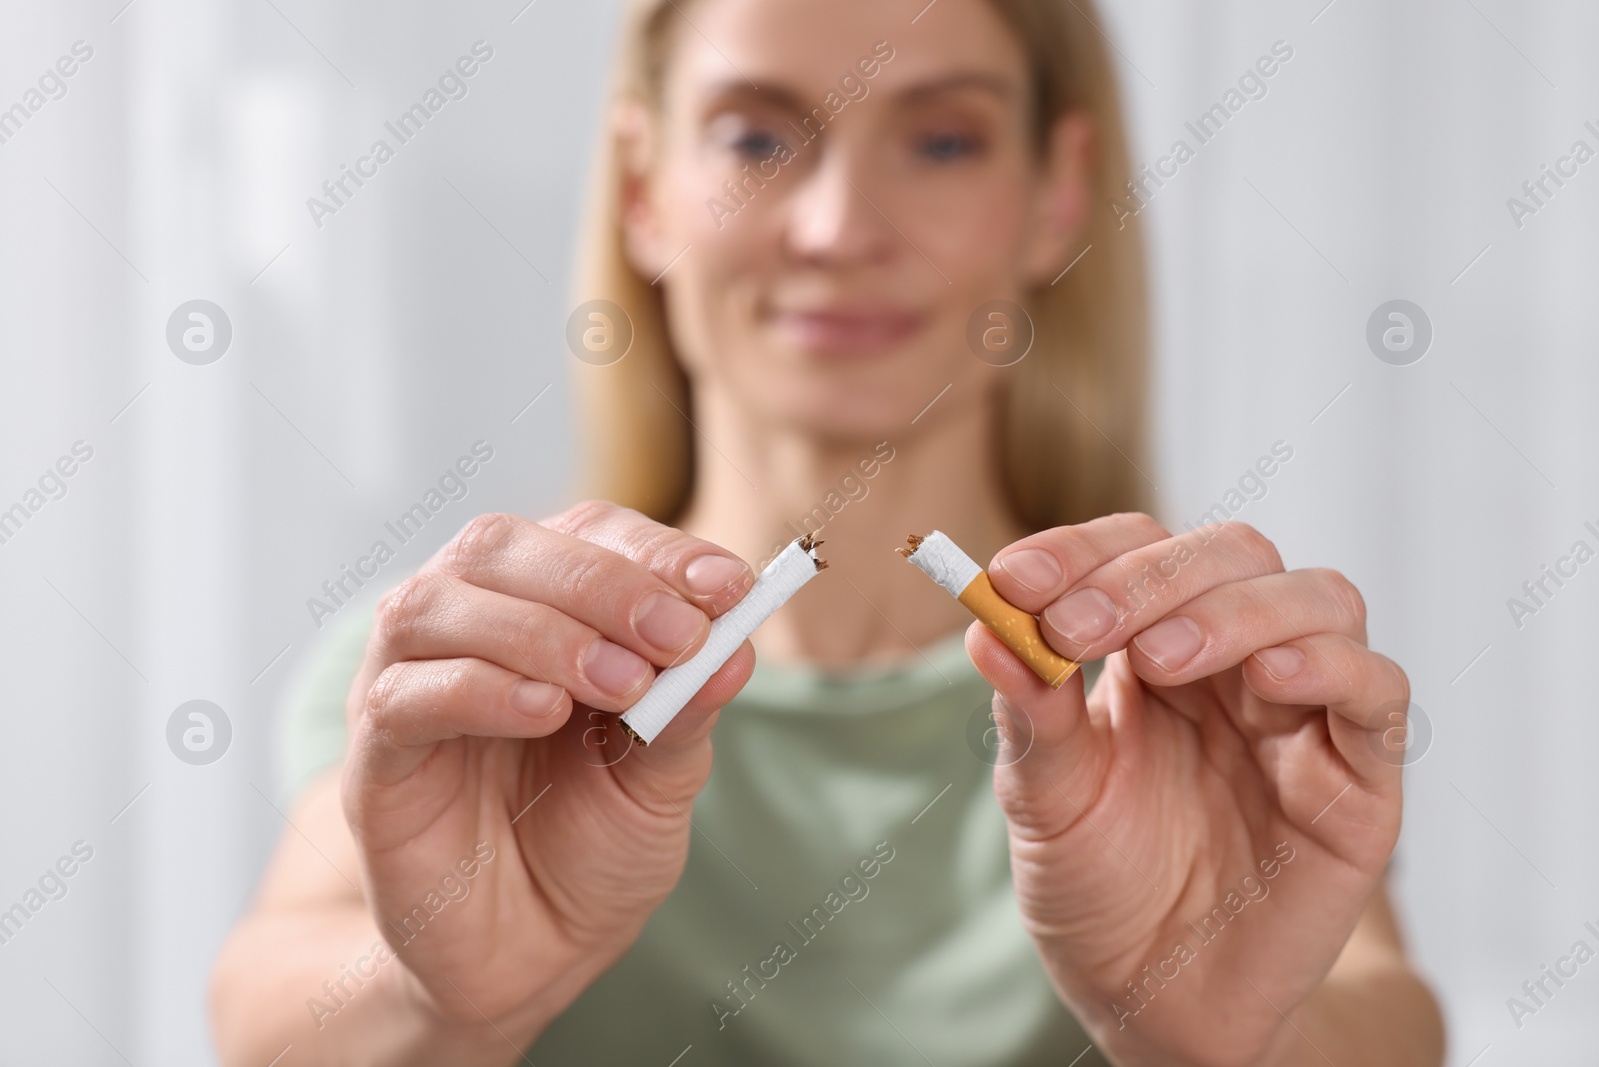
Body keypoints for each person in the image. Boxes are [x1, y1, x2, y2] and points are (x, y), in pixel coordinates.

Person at [209, 0, 1446, 1062]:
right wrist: (431, 997)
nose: (839, 228)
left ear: (1055, 195)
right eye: (755, 137)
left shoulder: (1186, 694)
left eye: (944, 140)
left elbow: (1385, 1013)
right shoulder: (490, 672)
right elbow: (263, 1006)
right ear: (644, 191)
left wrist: (1240, 1037)